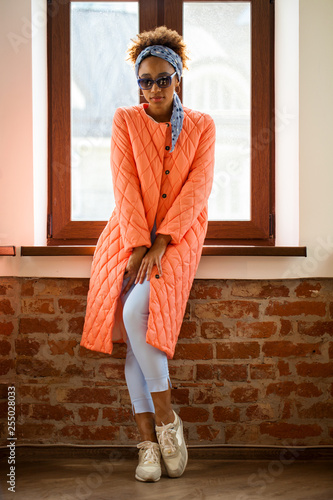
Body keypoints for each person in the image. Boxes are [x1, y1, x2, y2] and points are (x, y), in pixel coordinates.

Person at [80, 25, 216, 482]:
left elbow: (198, 189)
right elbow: (126, 186)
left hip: (178, 236)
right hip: (129, 232)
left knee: (139, 308)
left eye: (163, 79)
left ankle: (164, 421)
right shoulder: (126, 120)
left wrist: (161, 241)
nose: (153, 89)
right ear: (137, 83)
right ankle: (152, 441)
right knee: (136, 337)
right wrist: (139, 242)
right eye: (145, 80)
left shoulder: (201, 126)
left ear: (178, 78)